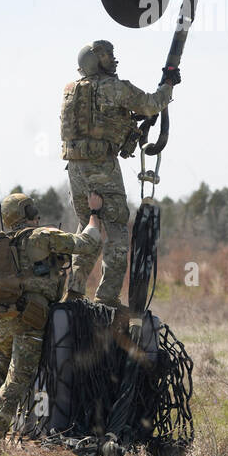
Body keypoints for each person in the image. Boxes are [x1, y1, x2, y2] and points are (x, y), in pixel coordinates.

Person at [0, 189, 104, 456]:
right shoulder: (42, 237)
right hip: (31, 318)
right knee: (18, 379)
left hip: (5, 317)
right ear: (28, 213)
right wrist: (94, 215)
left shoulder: (5, 245)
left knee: (0, 365)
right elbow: (87, 244)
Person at [60, 40, 177, 307]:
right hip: (103, 168)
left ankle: (75, 292)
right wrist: (168, 84)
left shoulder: (71, 90)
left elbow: (98, 119)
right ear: (96, 60)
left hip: (75, 172)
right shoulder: (115, 88)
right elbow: (151, 104)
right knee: (116, 233)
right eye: (108, 55)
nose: (113, 59)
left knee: (88, 228)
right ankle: (107, 298)